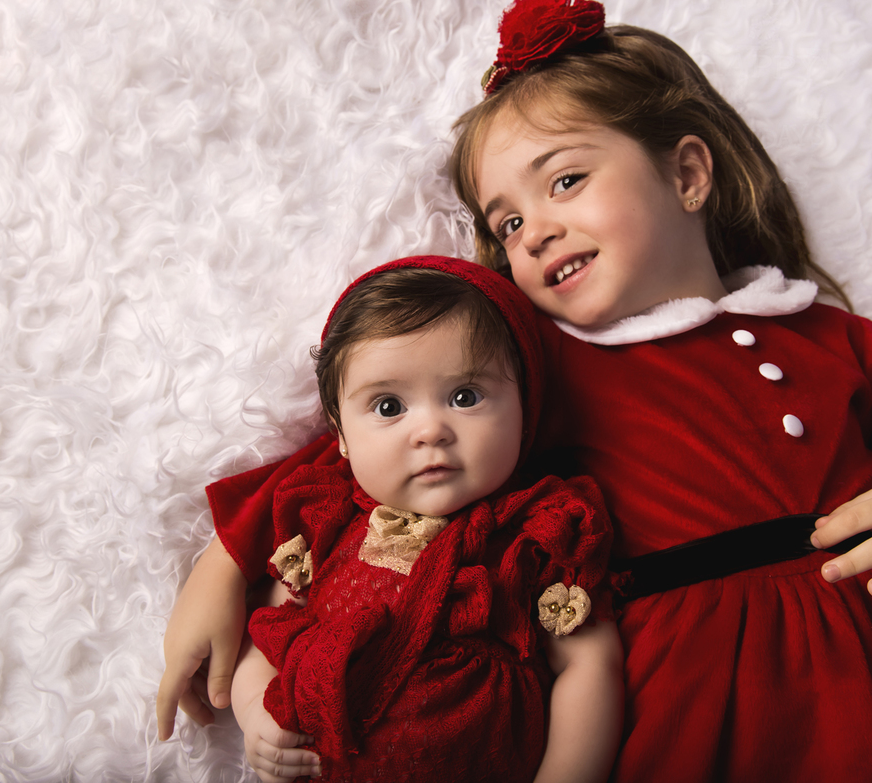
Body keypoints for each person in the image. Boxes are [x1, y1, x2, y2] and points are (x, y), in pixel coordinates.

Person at [157, 0, 872, 781]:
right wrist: (223, 568)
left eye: (567, 180)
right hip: (700, 686)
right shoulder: (541, 369)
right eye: (506, 220)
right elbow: (372, 446)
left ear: (687, 171)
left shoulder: (835, 337)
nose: (535, 231)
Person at [219, 256, 621, 783]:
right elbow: (271, 634)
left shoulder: (535, 536)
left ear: (524, 409)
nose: (430, 430)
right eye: (388, 407)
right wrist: (254, 714)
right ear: (340, 436)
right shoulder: (328, 528)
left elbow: (590, 667)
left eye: (465, 396)